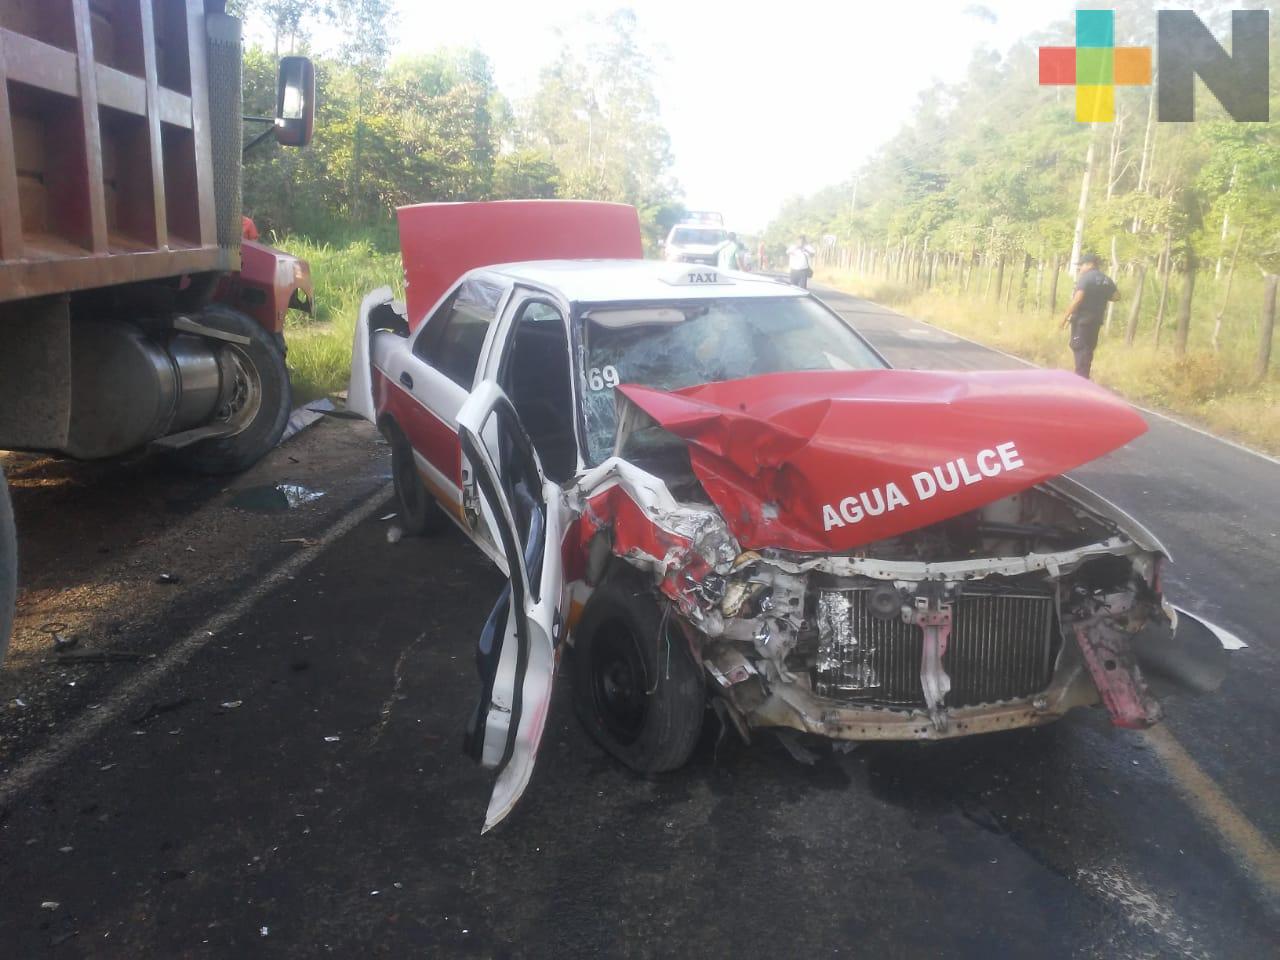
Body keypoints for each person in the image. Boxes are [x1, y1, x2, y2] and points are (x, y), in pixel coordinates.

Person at [1060, 252, 1119, 379]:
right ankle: (1083, 377)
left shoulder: (1086, 278)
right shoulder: (1106, 279)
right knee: (1088, 350)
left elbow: (1077, 299)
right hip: (1096, 321)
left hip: (1082, 320)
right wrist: (1100, 296)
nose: (1079, 268)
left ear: (1090, 264)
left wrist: (1064, 318)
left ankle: (1081, 380)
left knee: (1080, 348)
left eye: (1081, 265)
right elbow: (1116, 296)